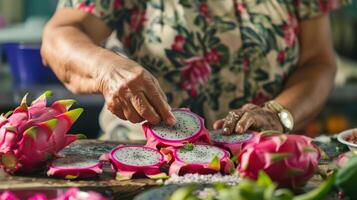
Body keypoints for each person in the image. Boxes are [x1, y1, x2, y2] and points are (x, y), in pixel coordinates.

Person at [41, 0, 350, 140]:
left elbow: (318, 62)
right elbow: (60, 36)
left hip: (261, 163)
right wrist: (107, 68)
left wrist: (278, 113)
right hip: (141, 167)